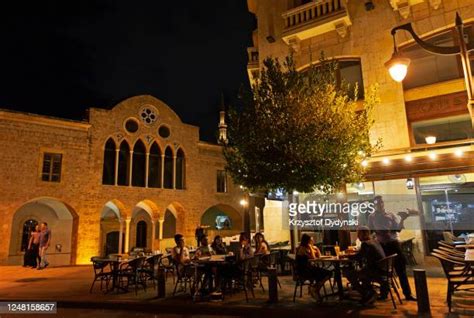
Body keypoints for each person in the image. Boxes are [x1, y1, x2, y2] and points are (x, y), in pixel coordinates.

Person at [368, 195, 416, 301]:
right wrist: (376, 235)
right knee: (382, 270)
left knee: (401, 270)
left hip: (393, 244)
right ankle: (384, 294)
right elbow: (370, 232)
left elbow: (398, 229)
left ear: (383, 203)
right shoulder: (371, 217)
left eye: (381, 202)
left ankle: (407, 294)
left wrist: (403, 219)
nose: (379, 204)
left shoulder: (390, 214)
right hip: (381, 246)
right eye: (377, 203)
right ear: (374, 204)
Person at [344, 226, 387, 305]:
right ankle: (368, 293)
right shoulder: (374, 241)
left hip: (375, 271)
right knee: (362, 273)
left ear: (364, 234)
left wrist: (346, 256)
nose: (357, 236)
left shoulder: (366, 244)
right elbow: (362, 255)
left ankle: (367, 294)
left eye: (358, 234)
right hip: (382, 269)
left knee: (349, 274)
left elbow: (358, 257)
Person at [295, 234, 332, 301]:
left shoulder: (306, 248)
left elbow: (319, 256)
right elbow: (313, 257)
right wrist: (311, 247)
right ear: (307, 241)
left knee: (328, 273)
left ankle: (315, 288)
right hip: (304, 271)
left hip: (309, 268)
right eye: (310, 241)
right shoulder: (302, 249)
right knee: (327, 273)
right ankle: (315, 289)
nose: (311, 242)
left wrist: (316, 248)